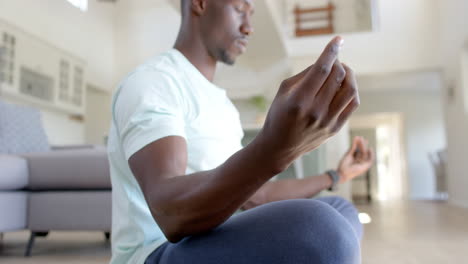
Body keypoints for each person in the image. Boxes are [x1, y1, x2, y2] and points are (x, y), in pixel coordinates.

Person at [107, 0, 374, 263]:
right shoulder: (154, 82)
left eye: (251, 13)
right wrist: (274, 150)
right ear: (200, 3)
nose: (249, 27)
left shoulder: (223, 106)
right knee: (325, 230)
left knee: (340, 210)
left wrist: (337, 175)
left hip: (214, 234)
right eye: (239, 9)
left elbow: (257, 197)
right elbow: (169, 214)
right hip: (158, 251)